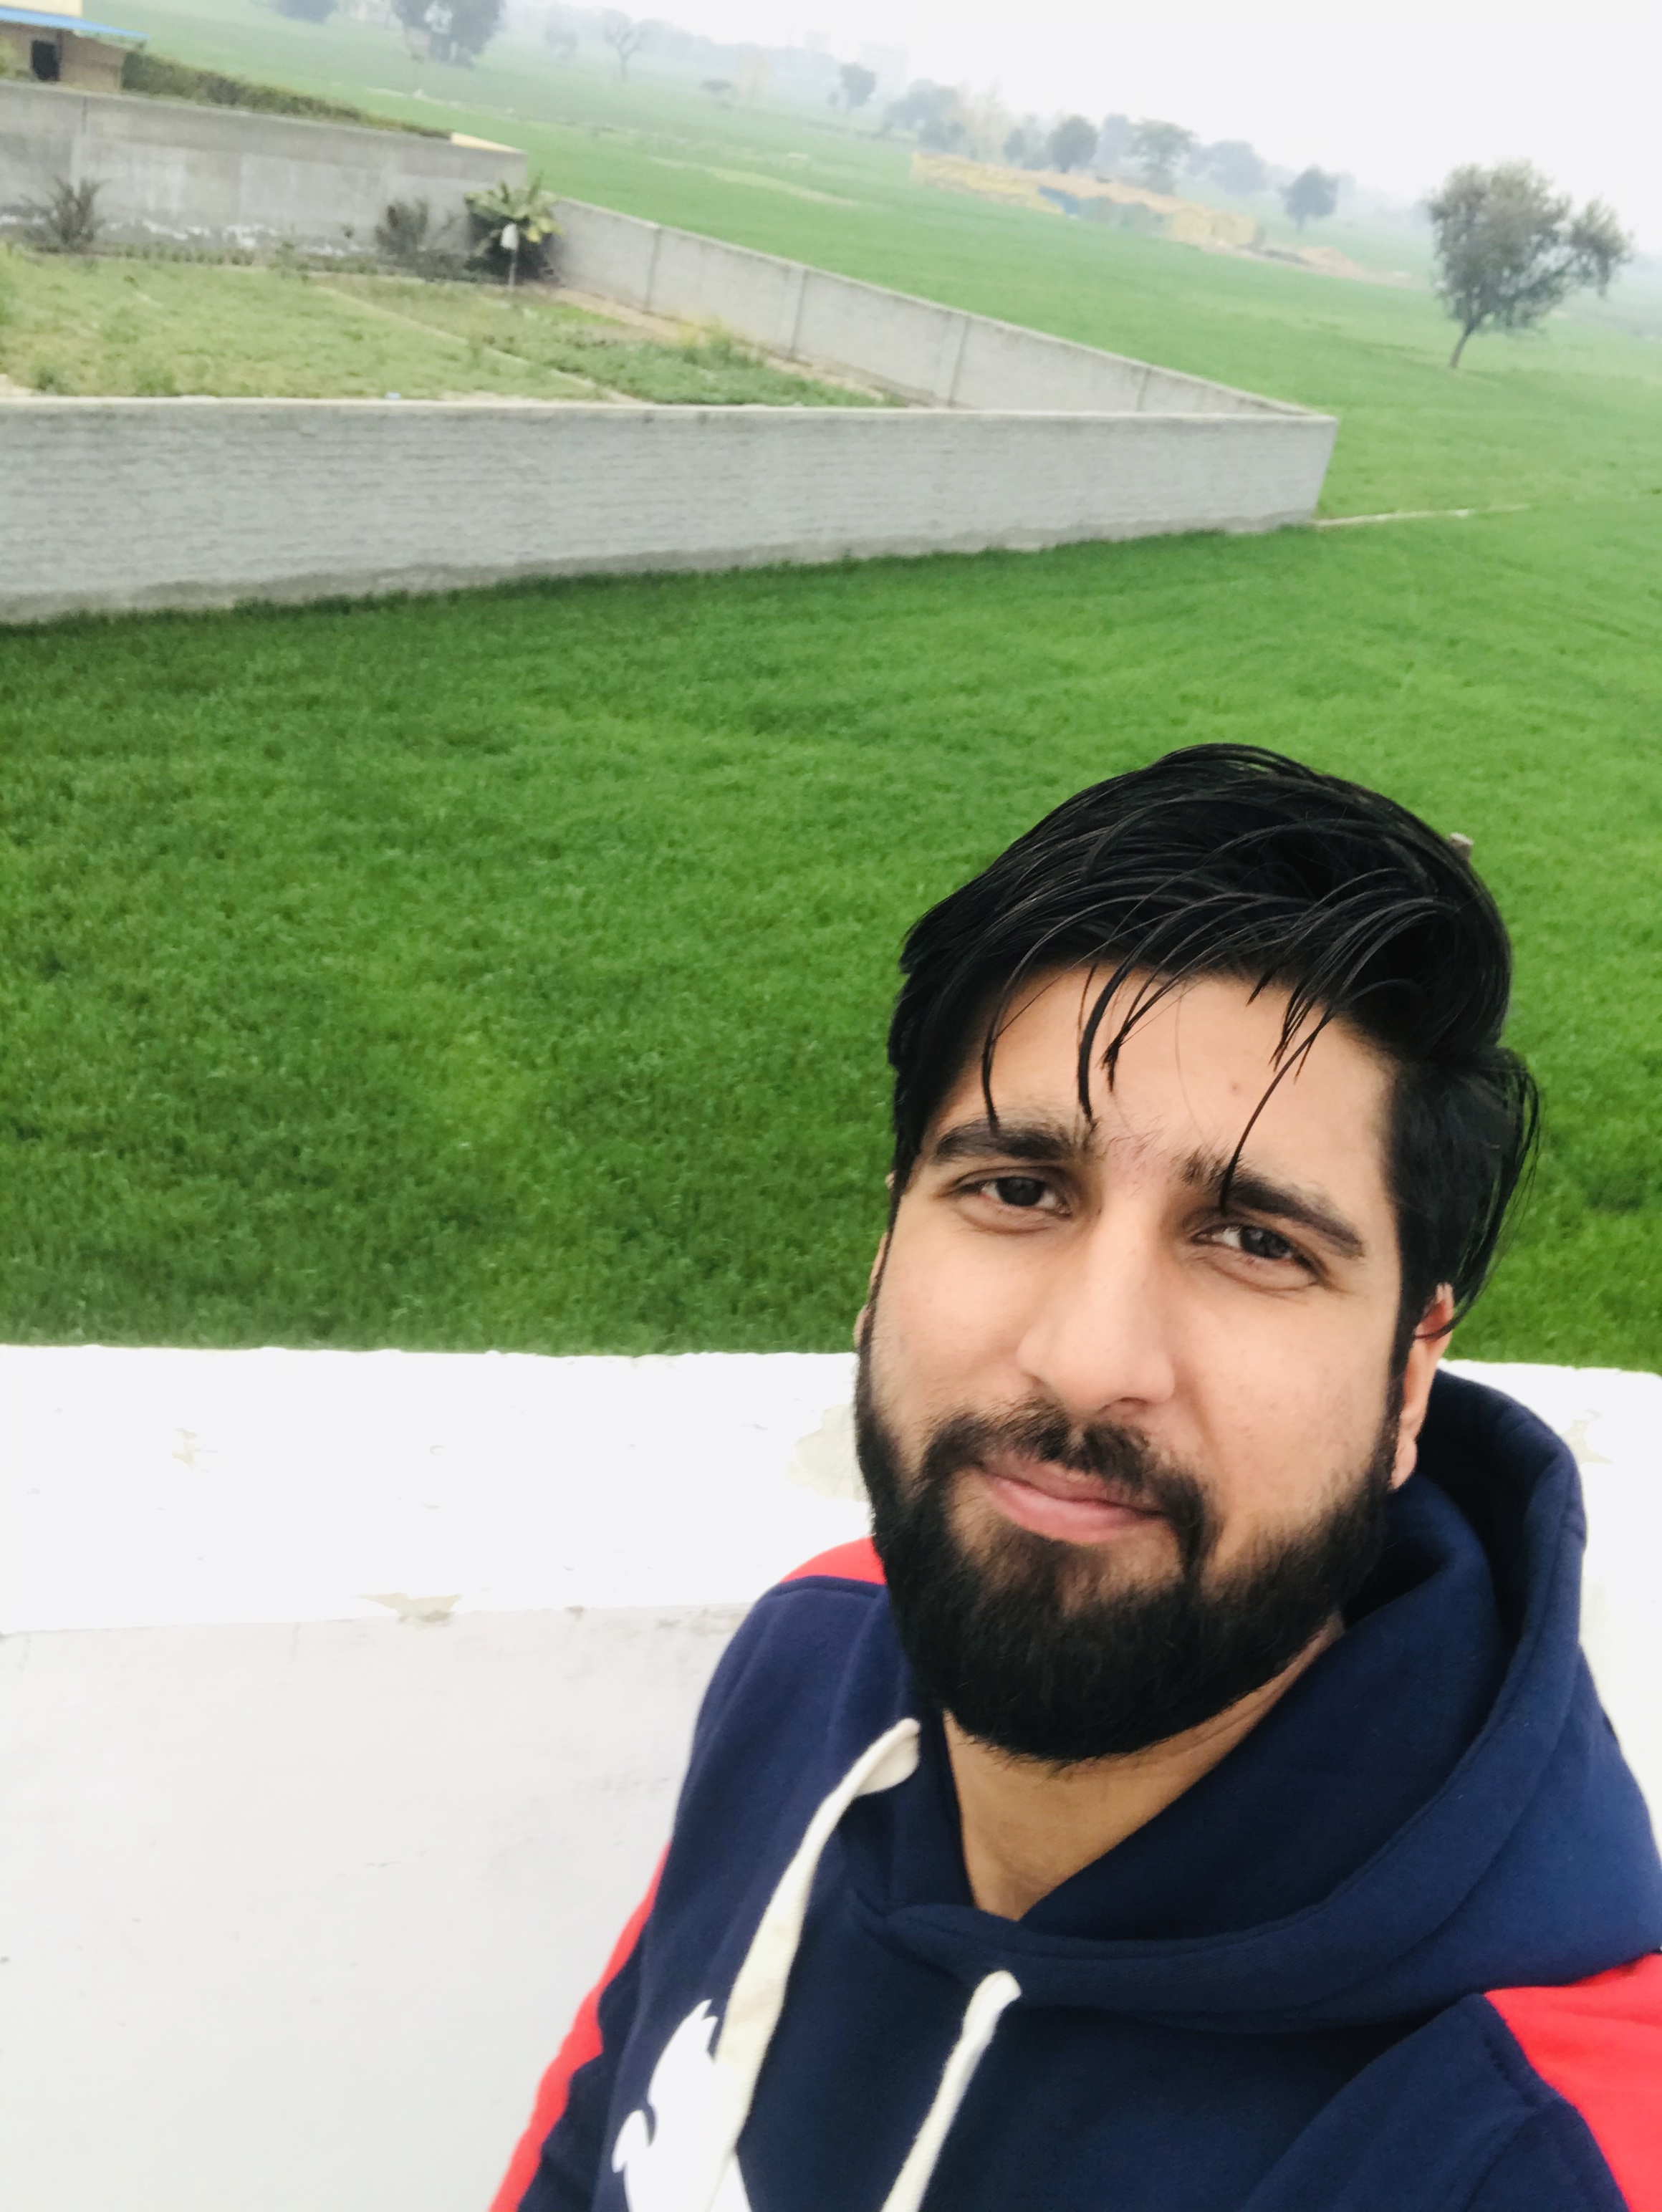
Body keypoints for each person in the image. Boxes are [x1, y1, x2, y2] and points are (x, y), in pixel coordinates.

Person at [493, 746, 1662, 2212]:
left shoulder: (1538, 2150)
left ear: (1408, 1376)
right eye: (1016, 1189)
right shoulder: (815, 1649)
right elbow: (582, 2144)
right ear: (884, 1253)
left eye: (1255, 1240)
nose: (1087, 1359)